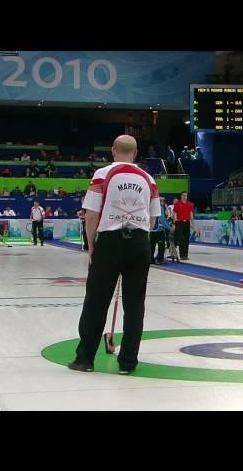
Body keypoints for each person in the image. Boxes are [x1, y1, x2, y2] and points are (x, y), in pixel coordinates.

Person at [68, 134, 160, 375]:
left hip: (109, 241)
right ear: (136, 153)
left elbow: (91, 213)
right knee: (135, 305)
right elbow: (152, 218)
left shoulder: (102, 174)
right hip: (139, 242)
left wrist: (91, 245)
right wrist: (139, 238)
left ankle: (85, 359)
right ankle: (128, 363)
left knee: (96, 302)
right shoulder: (149, 179)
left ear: (113, 151)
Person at [173, 192, 195, 261]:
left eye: (186, 195)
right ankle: (182, 255)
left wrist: (192, 223)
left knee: (186, 239)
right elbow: (175, 213)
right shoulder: (177, 204)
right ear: (181, 196)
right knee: (181, 239)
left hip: (187, 222)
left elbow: (191, 214)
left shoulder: (190, 204)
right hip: (179, 222)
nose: (185, 197)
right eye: (184, 195)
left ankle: (185, 255)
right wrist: (175, 221)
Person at [150, 196, 171, 264]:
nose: (163, 202)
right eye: (162, 201)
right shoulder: (160, 208)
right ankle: (159, 259)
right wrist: (169, 228)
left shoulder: (151, 207)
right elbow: (162, 220)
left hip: (152, 230)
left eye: (163, 201)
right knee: (161, 246)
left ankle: (150, 259)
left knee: (151, 246)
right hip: (159, 230)